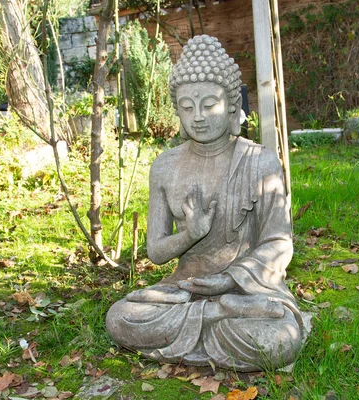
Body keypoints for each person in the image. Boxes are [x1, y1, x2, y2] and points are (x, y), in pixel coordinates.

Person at [106, 35, 305, 371]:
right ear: (177, 111)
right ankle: (215, 314)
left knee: (279, 337)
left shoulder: (260, 162)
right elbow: (156, 252)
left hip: (247, 290)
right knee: (120, 317)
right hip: (184, 288)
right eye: (187, 107)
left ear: (231, 106)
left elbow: (279, 244)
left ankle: (214, 316)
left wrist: (229, 280)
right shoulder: (165, 166)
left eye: (209, 104)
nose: (197, 116)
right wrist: (189, 235)